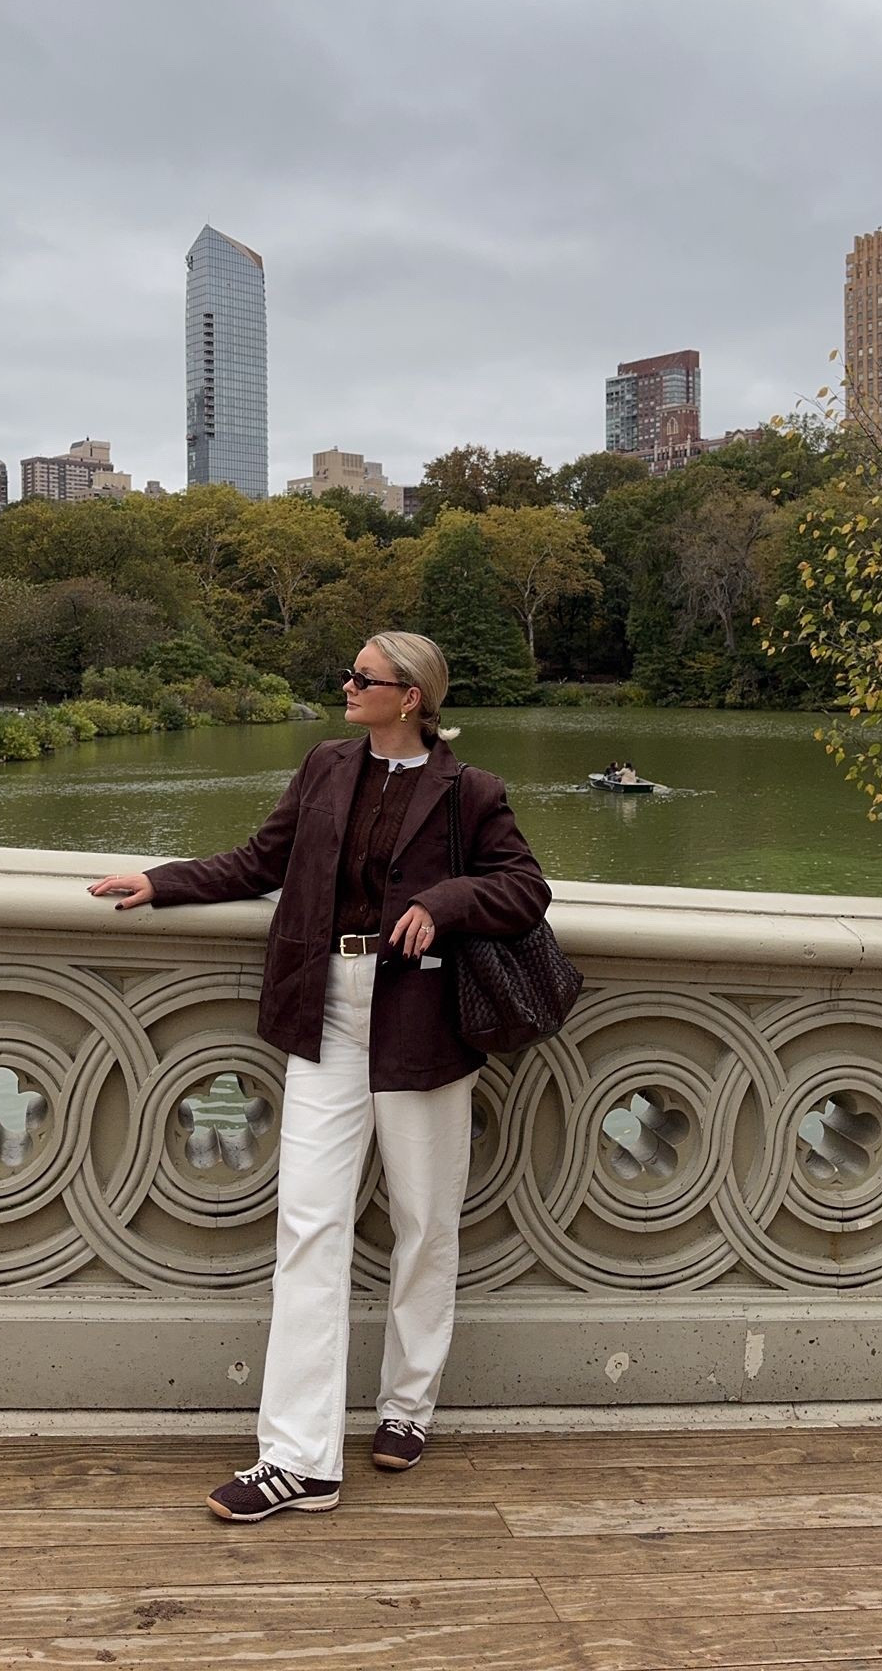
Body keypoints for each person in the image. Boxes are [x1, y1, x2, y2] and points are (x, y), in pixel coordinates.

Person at [91, 631, 552, 1524]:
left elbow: (524, 886)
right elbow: (261, 860)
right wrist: (162, 880)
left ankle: (407, 1407)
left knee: (423, 1222)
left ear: (410, 696)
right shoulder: (324, 766)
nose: (346, 686)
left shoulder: (472, 793)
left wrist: (442, 900)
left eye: (362, 677)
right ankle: (299, 1458)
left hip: (420, 1020)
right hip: (326, 1009)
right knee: (308, 1224)